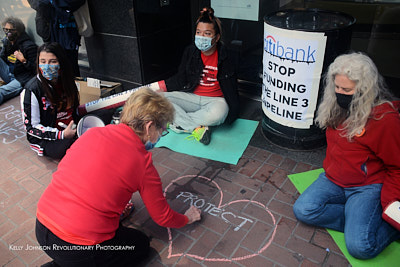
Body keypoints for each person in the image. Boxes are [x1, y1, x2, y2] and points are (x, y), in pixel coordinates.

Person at [35, 88, 202, 266]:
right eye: (162, 129)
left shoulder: (92, 133)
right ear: (149, 126)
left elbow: (72, 172)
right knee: (140, 245)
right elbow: (163, 217)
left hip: (42, 224)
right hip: (79, 245)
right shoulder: (142, 163)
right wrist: (187, 218)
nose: (161, 135)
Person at [293, 52, 400, 259]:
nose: (340, 93)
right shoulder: (335, 105)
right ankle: (358, 219)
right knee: (303, 210)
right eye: (337, 87)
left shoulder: (385, 120)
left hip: (366, 186)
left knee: (361, 247)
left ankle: (386, 226)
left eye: (347, 89)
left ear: (364, 89)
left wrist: (389, 202)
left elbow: (397, 166)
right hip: (333, 179)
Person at [148, 7, 239, 145]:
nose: (202, 37)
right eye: (198, 32)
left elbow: (232, 88)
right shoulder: (190, 52)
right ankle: (196, 128)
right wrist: (161, 87)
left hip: (215, 101)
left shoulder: (227, 56)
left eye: (207, 33)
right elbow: (180, 79)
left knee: (220, 114)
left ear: (217, 37)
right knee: (158, 99)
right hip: (192, 97)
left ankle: (175, 122)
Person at [20, 42, 80, 159]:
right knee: (75, 147)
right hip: (49, 139)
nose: (47, 66)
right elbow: (31, 128)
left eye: (53, 61)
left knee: (101, 116)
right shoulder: (32, 90)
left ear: (61, 62)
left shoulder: (67, 81)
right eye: (43, 62)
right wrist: (62, 134)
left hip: (71, 127)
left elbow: (75, 109)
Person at [27, 0, 84, 77]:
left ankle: (72, 86)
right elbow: (35, 3)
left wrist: (54, 2)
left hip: (66, 31)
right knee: (51, 64)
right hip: (48, 29)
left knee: (69, 65)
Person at [0, 17, 37, 105]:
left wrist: (24, 60)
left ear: (18, 31)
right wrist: (7, 46)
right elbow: (2, 58)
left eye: (11, 30)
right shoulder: (7, 41)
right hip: (9, 73)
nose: (8, 33)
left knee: (1, 91)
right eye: (6, 29)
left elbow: (35, 69)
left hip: (21, 78)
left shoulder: (29, 46)